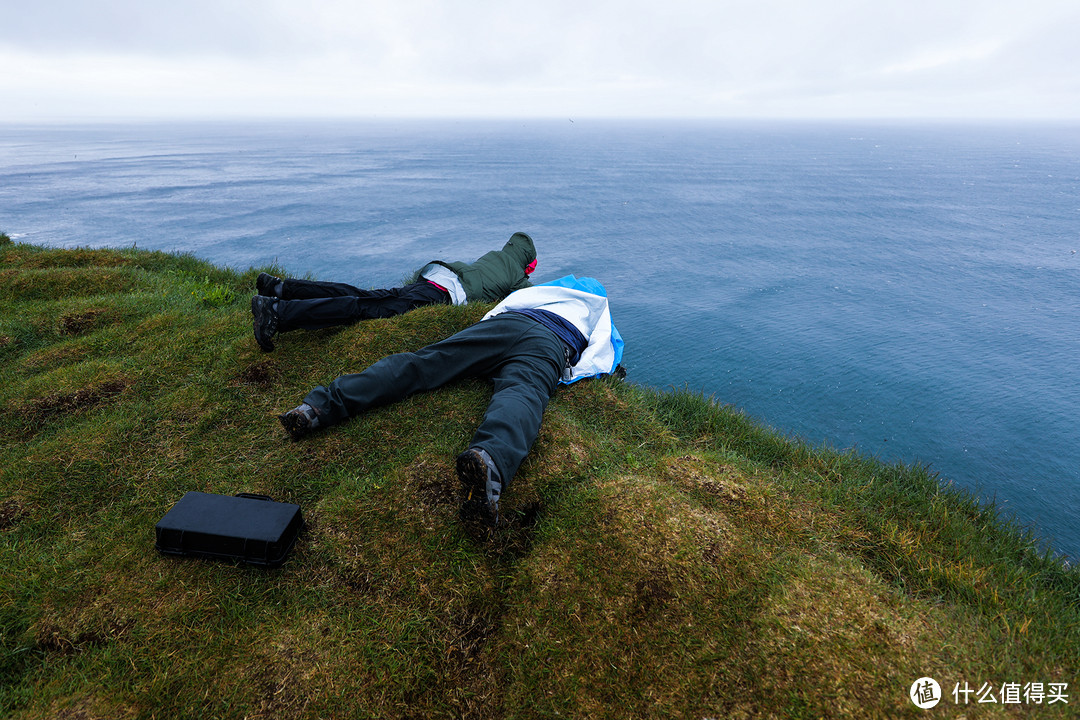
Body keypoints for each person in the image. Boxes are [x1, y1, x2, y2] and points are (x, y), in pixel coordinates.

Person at [278, 275, 624, 527]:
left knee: (423, 363)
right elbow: (604, 354)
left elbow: (499, 308)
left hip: (506, 323)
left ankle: (318, 407)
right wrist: (571, 374)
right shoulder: (598, 307)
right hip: (550, 342)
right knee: (522, 394)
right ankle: (489, 459)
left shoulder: (539, 291)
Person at [251, 231, 538, 351]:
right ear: (528, 263)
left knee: (363, 295)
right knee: (362, 308)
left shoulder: (495, 256)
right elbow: (536, 298)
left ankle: (280, 288)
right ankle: (277, 312)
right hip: (440, 295)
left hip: (434, 278)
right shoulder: (517, 275)